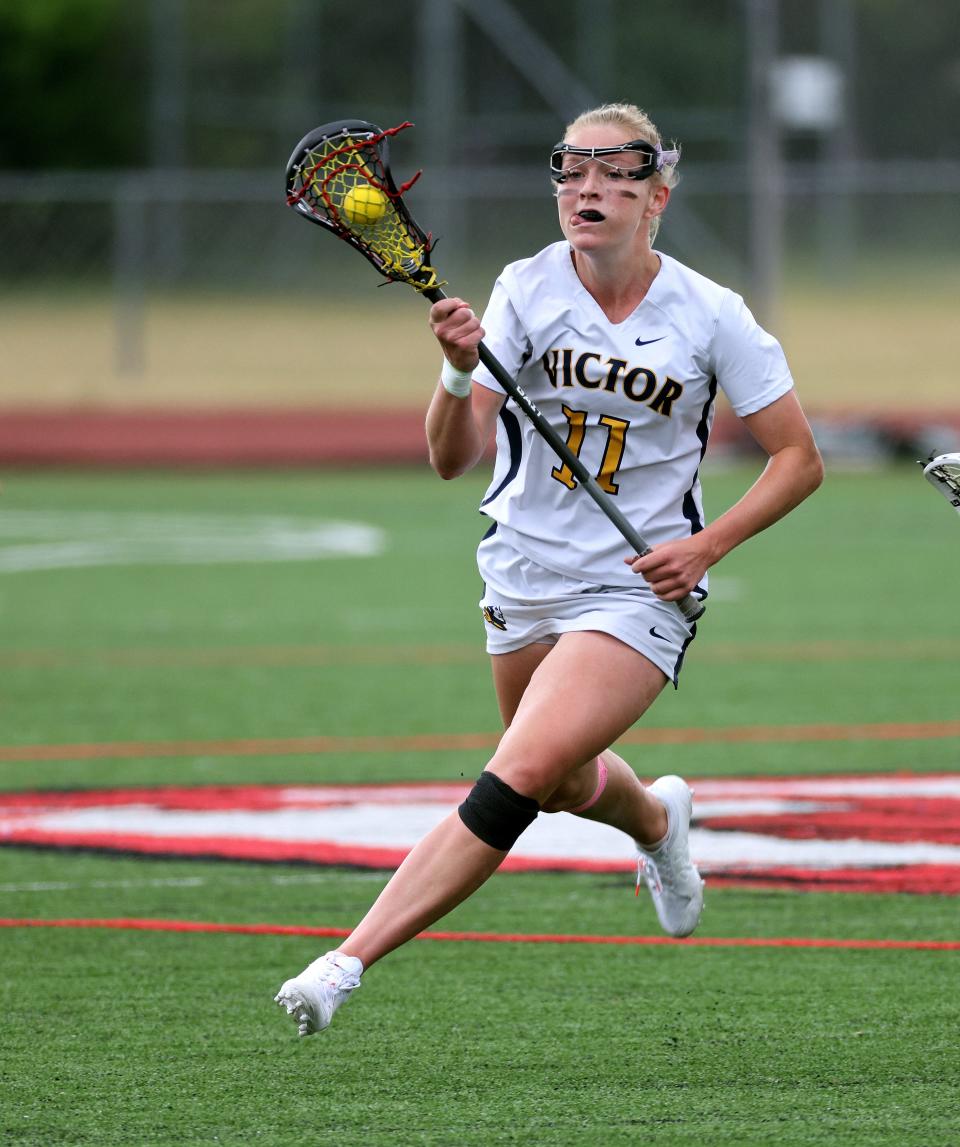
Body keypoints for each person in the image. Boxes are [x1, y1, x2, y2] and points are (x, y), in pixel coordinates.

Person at [275, 102, 823, 1036]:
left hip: (635, 591)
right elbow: (453, 457)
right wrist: (453, 375)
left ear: (657, 194)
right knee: (566, 780)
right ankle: (657, 821)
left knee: (519, 773)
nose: (590, 192)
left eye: (616, 175)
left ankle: (343, 961)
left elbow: (797, 458)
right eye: (573, 174)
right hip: (521, 573)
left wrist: (705, 544)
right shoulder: (525, 288)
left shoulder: (710, 313)